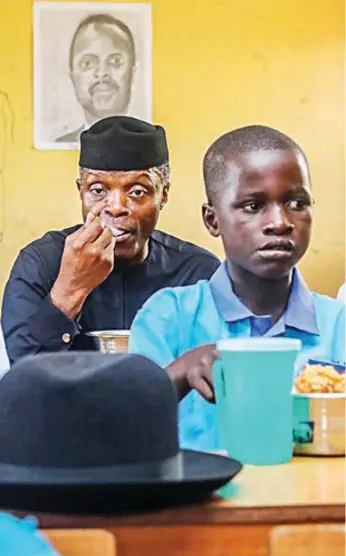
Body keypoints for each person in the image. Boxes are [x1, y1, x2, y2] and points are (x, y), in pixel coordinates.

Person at [129, 125, 345, 453]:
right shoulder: (169, 317)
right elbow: (122, 423)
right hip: (198, 503)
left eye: (297, 202)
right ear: (212, 220)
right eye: (253, 206)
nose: (280, 221)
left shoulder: (338, 324)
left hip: (311, 503)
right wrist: (181, 372)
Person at [2, 116, 219, 364]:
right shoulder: (40, 264)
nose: (116, 208)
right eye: (97, 190)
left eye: (137, 191)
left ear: (163, 195)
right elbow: (23, 372)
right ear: (80, 192)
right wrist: (70, 290)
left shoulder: (198, 273)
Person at [56, 14, 136, 143]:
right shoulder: (60, 145)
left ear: (132, 72)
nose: (102, 72)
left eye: (115, 61)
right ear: (73, 77)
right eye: (87, 63)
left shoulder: (151, 147)